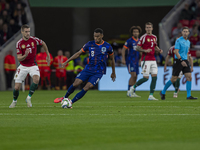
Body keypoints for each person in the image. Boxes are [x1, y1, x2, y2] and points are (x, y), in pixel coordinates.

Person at [54, 28, 116, 106]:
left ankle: (71, 102)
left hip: (98, 72)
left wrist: (113, 72)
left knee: (87, 87)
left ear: (102, 36)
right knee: (76, 83)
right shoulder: (90, 44)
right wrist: (67, 61)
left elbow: (112, 59)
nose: (95, 38)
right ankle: (64, 97)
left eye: (98, 36)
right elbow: (78, 53)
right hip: (88, 69)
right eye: (94, 36)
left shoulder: (107, 46)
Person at [9, 24, 51, 108]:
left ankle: (28, 98)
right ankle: (14, 101)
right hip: (23, 66)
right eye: (26, 32)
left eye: (29, 31)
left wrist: (48, 55)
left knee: (36, 79)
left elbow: (43, 43)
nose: (28, 33)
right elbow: (19, 58)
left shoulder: (34, 40)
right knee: (17, 87)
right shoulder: (19, 43)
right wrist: (25, 55)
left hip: (32, 65)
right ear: (22, 32)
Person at [160, 27, 197, 100]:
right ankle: (163, 91)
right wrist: (181, 60)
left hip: (185, 60)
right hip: (178, 61)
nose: (185, 33)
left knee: (189, 77)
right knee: (174, 79)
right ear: (182, 32)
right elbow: (176, 52)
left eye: (187, 31)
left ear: (189, 33)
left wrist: (187, 61)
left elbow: (187, 52)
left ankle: (188, 95)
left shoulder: (188, 42)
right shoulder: (178, 40)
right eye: (184, 31)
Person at [130, 22, 163, 100]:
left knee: (154, 77)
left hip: (153, 60)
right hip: (146, 60)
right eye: (147, 27)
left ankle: (151, 95)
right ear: (145, 29)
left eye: (149, 27)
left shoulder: (155, 37)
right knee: (146, 78)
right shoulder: (143, 37)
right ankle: (132, 88)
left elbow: (154, 45)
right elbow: (137, 48)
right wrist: (145, 50)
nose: (148, 29)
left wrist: (158, 49)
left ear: (152, 28)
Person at [122, 26, 142, 97]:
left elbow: (141, 51)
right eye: (134, 32)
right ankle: (128, 91)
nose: (135, 33)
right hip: (130, 60)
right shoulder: (129, 41)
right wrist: (123, 59)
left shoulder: (140, 41)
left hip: (136, 61)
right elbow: (123, 49)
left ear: (139, 33)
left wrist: (140, 59)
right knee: (133, 75)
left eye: (137, 32)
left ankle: (133, 92)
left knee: (136, 76)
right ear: (132, 33)